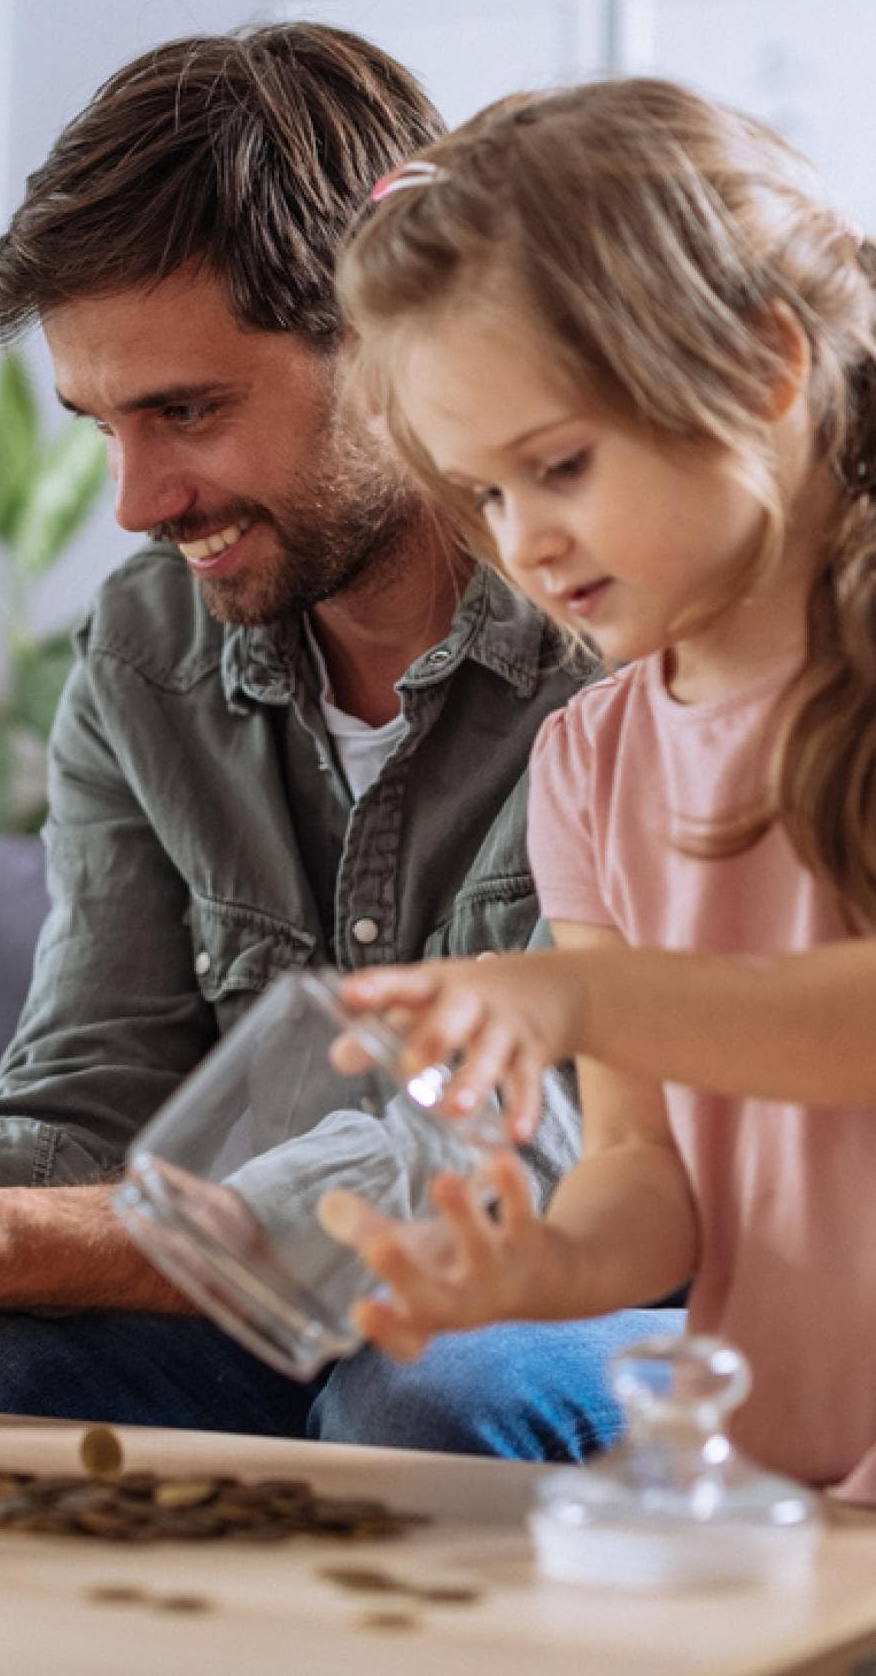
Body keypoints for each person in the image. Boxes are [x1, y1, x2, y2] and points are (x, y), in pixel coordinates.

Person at [0, 24, 676, 1458]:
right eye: (101, 423)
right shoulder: (147, 650)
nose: (140, 499)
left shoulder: (628, 639)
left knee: (430, 1391)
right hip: (269, 1303)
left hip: (610, 1277)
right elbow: (94, 1087)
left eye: (188, 410)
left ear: (396, 339)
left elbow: (529, 1164)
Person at [309, 77, 876, 1502]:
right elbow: (645, 1167)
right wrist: (545, 1264)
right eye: (484, 495)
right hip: (780, 1486)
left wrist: (568, 998)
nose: (525, 542)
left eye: (558, 465)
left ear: (762, 367)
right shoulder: (592, 761)